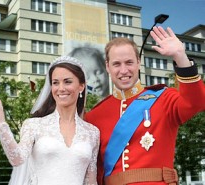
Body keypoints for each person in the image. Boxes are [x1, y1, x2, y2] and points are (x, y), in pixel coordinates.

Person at [84, 26, 205, 185]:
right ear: (107, 67)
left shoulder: (163, 98)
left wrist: (180, 57)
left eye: (129, 62)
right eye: (116, 64)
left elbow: (196, 101)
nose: (123, 70)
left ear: (139, 63)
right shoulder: (94, 116)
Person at [0, 56, 100, 185]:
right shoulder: (33, 125)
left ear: (81, 86)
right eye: (55, 82)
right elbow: (16, 159)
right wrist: (0, 120)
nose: (61, 88)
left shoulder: (92, 132)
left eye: (67, 82)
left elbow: (90, 180)